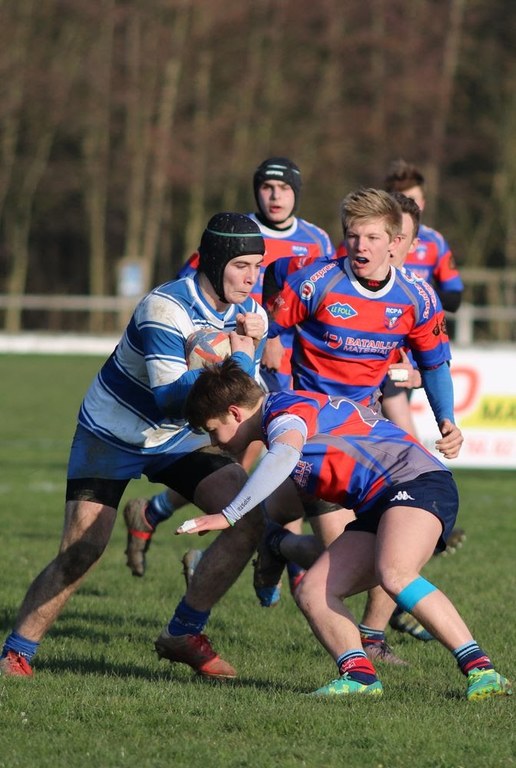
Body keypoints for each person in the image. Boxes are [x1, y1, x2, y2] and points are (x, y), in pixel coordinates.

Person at [0, 212, 301, 679]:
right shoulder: (164, 308)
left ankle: (183, 632)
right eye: (241, 266)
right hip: (112, 433)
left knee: (246, 521)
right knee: (83, 549)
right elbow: (168, 397)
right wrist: (242, 356)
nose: (251, 277)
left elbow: (241, 393)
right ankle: (17, 653)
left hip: (179, 437)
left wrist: (255, 357)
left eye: (257, 267)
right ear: (215, 261)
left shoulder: (249, 314)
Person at [176, 360, 511, 701]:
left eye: (212, 430)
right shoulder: (279, 418)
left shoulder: (283, 413)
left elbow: (285, 454)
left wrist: (229, 515)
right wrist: (267, 543)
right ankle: (359, 677)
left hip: (416, 482)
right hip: (377, 503)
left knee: (395, 573)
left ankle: (483, 670)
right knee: (313, 591)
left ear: (234, 413)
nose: (215, 441)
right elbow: (279, 491)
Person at [257, 187, 464, 663]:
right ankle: (277, 544)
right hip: (316, 434)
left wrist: (446, 420)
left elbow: (434, 363)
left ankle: (368, 632)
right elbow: (273, 312)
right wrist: (271, 343)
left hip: (369, 431)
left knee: (387, 547)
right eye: (353, 236)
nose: (360, 246)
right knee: (348, 556)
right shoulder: (315, 282)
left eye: (371, 237)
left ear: (394, 241)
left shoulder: (417, 297)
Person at [123, 157, 335, 588]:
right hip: (241, 358)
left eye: (284, 188)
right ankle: (279, 564)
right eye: (267, 186)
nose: (275, 195)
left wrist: (277, 333)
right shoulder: (233, 233)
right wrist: (249, 340)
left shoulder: (316, 239)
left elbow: (322, 298)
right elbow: (192, 294)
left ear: (296, 193)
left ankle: (157, 513)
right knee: (239, 454)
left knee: (278, 458)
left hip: (295, 364)